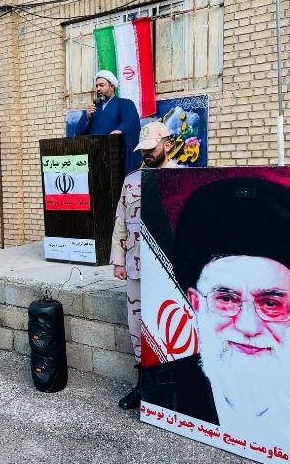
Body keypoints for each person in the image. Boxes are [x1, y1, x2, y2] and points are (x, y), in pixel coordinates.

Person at [141, 176, 290, 458]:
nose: (247, 326)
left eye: (271, 303)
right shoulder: (160, 396)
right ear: (197, 303)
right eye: (226, 299)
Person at [110, 121, 181, 410]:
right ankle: (143, 387)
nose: (147, 153)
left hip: (171, 273)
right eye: (143, 149)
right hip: (136, 267)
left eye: (152, 148)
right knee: (137, 327)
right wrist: (118, 260)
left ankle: (172, 391)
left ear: (168, 144)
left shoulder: (183, 179)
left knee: (170, 328)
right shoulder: (131, 181)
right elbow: (120, 222)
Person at [75, 70, 142, 174]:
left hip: (116, 159)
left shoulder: (125, 104)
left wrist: (121, 130)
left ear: (112, 87)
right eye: (97, 86)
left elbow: (132, 124)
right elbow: (79, 133)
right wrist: (87, 118)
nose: (98, 89)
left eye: (102, 85)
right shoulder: (93, 109)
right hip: (95, 160)